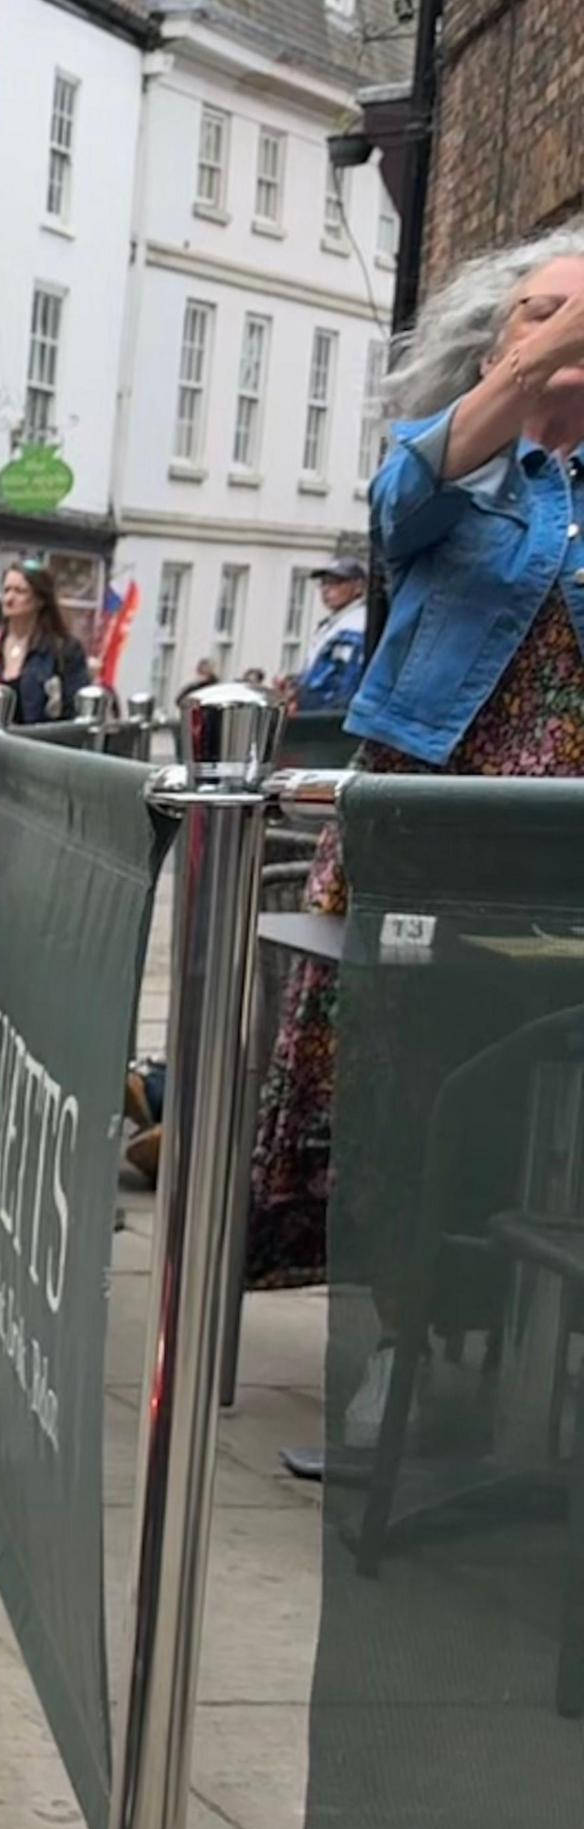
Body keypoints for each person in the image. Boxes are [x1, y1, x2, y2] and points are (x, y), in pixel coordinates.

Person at [248, 221, 584, 1294]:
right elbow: (401, 504)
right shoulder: (451, 467)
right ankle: (398, 1336)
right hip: (435, 812)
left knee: (528, 1079)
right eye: (543, 307)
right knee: (404, 1071)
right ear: (491, 349)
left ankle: (504, 1367)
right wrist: (538, 361)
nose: (573, 324)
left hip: (560, 841)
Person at [0, 562, 94, 737]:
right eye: (6, 590)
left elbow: (74, 711)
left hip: (37, 753)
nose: (9, 599)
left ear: (40, 600)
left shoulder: (64, 650)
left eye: (19, 591)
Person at [294, 555, 372, 717]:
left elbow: (344, 683)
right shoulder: (332, 623)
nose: (326, 589)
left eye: (335, 582)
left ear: (358, 586)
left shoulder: (356, 625)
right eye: (323, 583)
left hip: (329, 718)